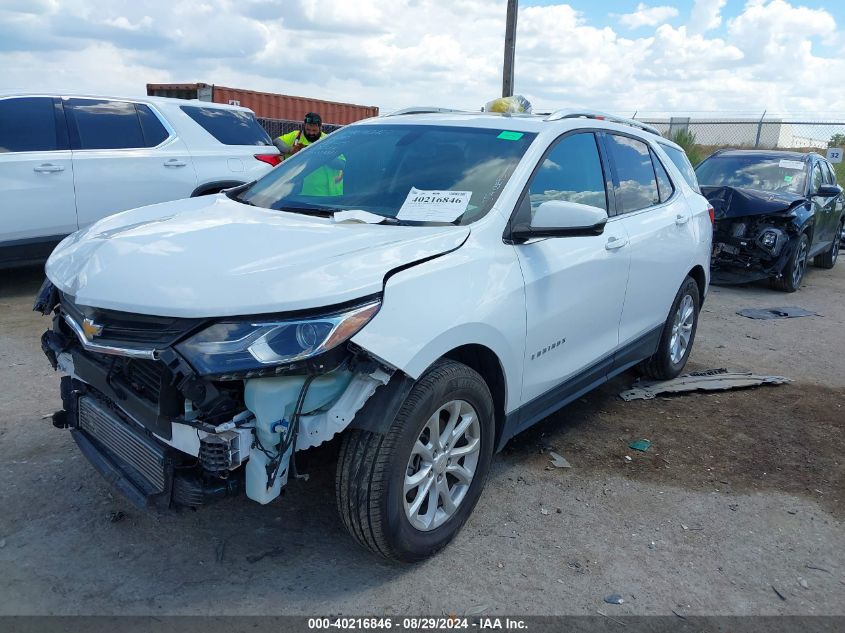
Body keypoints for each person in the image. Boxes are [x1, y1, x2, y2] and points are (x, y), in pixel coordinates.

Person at [274, 112, 344, 197]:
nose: (311, 133)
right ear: (304, 126)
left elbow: (341, 164)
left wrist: (322, 156)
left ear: (320, 128)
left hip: (330, 193)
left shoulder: (329, 140)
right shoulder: (296, 136)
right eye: (308, 130)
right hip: (305, 193)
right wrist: (290, 149)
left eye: (314, 130)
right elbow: (276, 141)